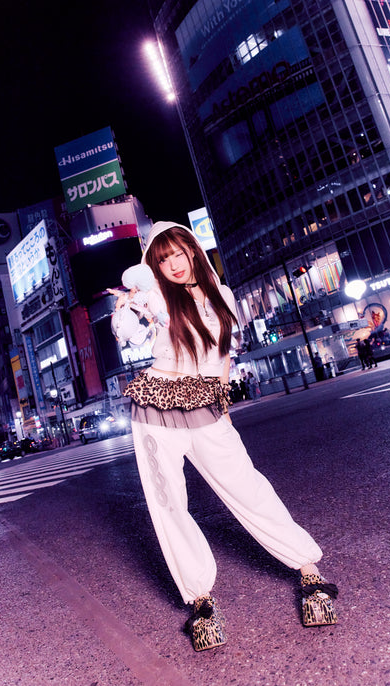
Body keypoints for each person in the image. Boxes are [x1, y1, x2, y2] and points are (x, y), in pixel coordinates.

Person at [109, 222, 338, 652]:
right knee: (168, 502)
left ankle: (307, 567)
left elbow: (222, 357)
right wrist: (130, 304)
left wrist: (225, 409)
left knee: (246, 484)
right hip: (156, 405)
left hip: (206, 404)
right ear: (154, 266)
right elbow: (128, 334)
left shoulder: (223, 295)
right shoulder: (156, 298)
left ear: (194, 251)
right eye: (163, 259)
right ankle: (199, 598)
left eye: (179, 253)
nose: (174, 264)